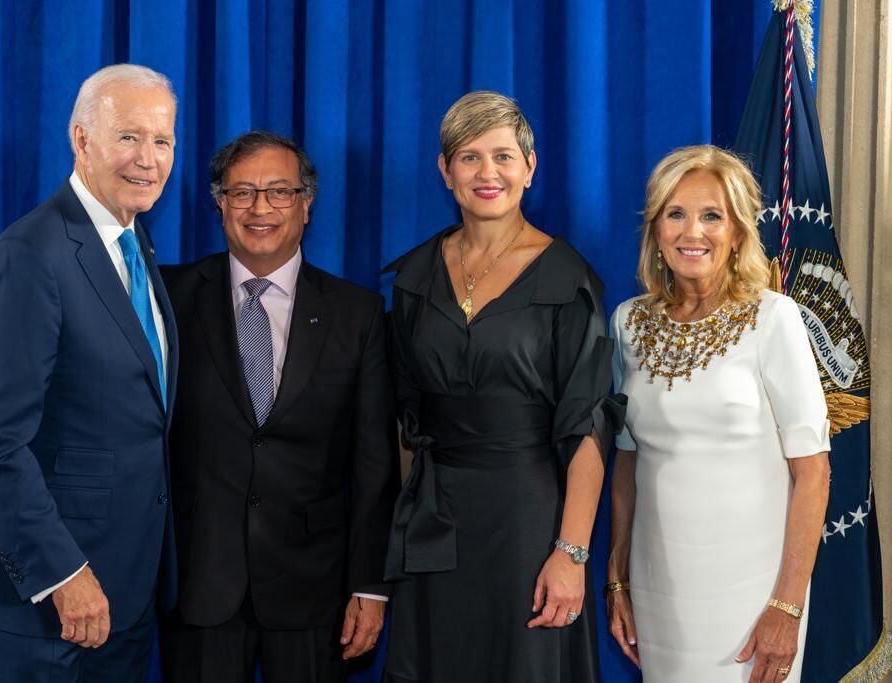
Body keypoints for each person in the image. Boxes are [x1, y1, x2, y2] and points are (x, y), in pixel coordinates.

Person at [382, 91, 623, 683]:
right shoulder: (414, 276)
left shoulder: (569, 278)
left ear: (530, 167)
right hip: (433, 517)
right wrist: (402, 522)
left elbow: (588, 426)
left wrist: (571, 553)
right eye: (469, 157)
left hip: (529, 518)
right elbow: (402, 414)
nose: (487, 173)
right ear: (445, 171)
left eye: (503, 156)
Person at [0, 64, 180, 681]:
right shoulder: (33, 255)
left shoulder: (134, 244)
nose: (148, 159)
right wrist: (64, 574)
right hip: (58, 603)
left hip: (127, 591)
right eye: (129, 137)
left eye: (162, 141)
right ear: (82, 140)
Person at [159, 131, 400, 683]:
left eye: (279, 192)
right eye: (242, 192)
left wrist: (368, 584)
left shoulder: (357, 314)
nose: (260, 208)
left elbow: (373, 462)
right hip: (199, 584)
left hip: (316, 591)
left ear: (307, 204)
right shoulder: (168, 298)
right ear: (220, 204)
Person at [605, 144, 831, 683]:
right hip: (659, 588)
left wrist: (788, 605)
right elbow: (627, 461)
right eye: (675, 213)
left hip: (755, 594)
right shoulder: (627, 324)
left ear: (736, 233)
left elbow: (814, 471)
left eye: (712, 216)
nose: (693, 231)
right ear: (656, 229)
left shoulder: (773, 318)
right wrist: (617, 578)